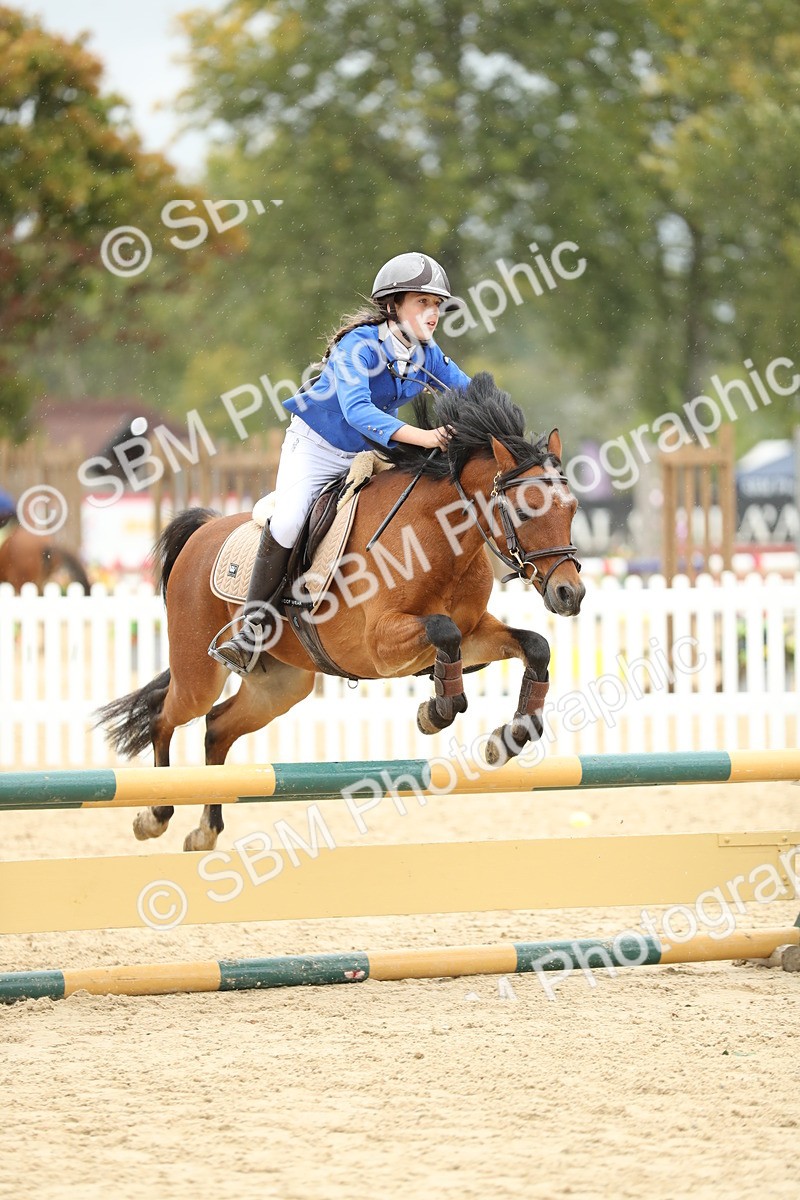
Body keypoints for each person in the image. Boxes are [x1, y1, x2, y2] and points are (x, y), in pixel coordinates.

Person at [209, 251, 471, 676]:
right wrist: (424, 437)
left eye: (437, 304)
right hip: (314, 448)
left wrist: (508, 430)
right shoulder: (359, 346)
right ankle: (250, 629)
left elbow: (469, 391)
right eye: (423, 301)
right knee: (291, 519)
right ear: (394, 304)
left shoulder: (427, 354)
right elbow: (356, 411)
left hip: (367, 454)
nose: (434, 312)